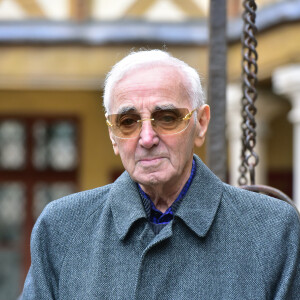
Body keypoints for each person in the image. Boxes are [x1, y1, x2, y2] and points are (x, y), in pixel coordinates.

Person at [21, 50, 300, 299]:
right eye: (127, 122)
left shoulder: (273, 230)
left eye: (167, 117)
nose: (146, 138)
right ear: (113, 136)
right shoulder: (61, 229)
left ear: (201, 124)